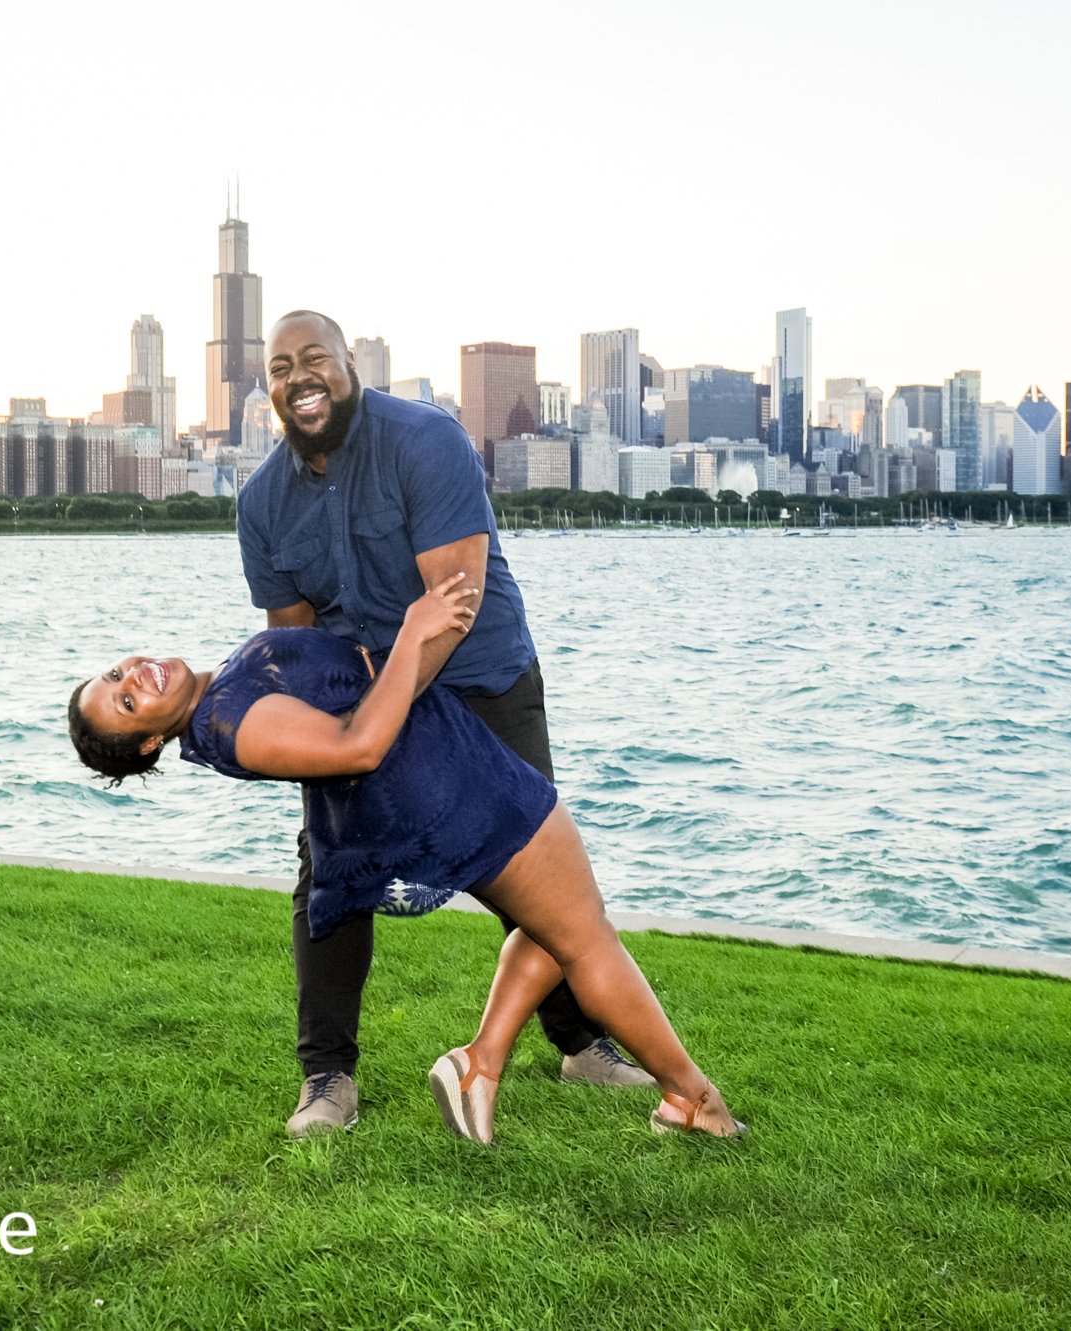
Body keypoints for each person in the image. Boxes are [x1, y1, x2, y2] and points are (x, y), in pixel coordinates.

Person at [64, 574, 746, 1142]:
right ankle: (692, 1098)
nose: (137, 677)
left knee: (558, 926)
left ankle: (480, 1064)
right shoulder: (229, 722)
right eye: (127, 702)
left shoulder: (222, 693)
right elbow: (357, 745)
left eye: (118, 673)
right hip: (455, 790)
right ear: (148, 743)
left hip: (453, 769)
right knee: (586, 938)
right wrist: (418, 629)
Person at [233, 308, 649, 1138]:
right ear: (268, 389)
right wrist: (340, 737)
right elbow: (298, 644)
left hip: (482, 676)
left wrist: (374, 727)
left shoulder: (426, 441)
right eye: (281, 367)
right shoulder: (261, 503)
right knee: (329, 873)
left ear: (351, 364)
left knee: (533, 871)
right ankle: (328, 1080)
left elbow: (451, 607)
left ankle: (580, 1045)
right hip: (366, 700)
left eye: (316, 358)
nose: (299, 377)